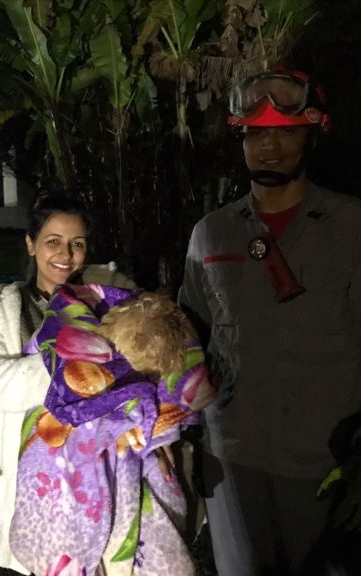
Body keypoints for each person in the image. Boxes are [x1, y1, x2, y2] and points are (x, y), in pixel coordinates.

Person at [179, 69, 361, 575]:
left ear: (312, 134)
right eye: (256, 133)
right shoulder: (211, 233)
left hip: (326, 463)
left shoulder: (350, 227)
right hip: (231, 459)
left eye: (286, 132)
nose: (270, 146)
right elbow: (186, 340)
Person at [0, 194, 134, 573]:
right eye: (52, 241)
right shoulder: (9, 306)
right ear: (31, 243)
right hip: (36, 491)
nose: (65, 255)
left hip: (103, 481)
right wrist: (72, 368)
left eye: (77, 244)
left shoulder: (112, 296)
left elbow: (146, 361)